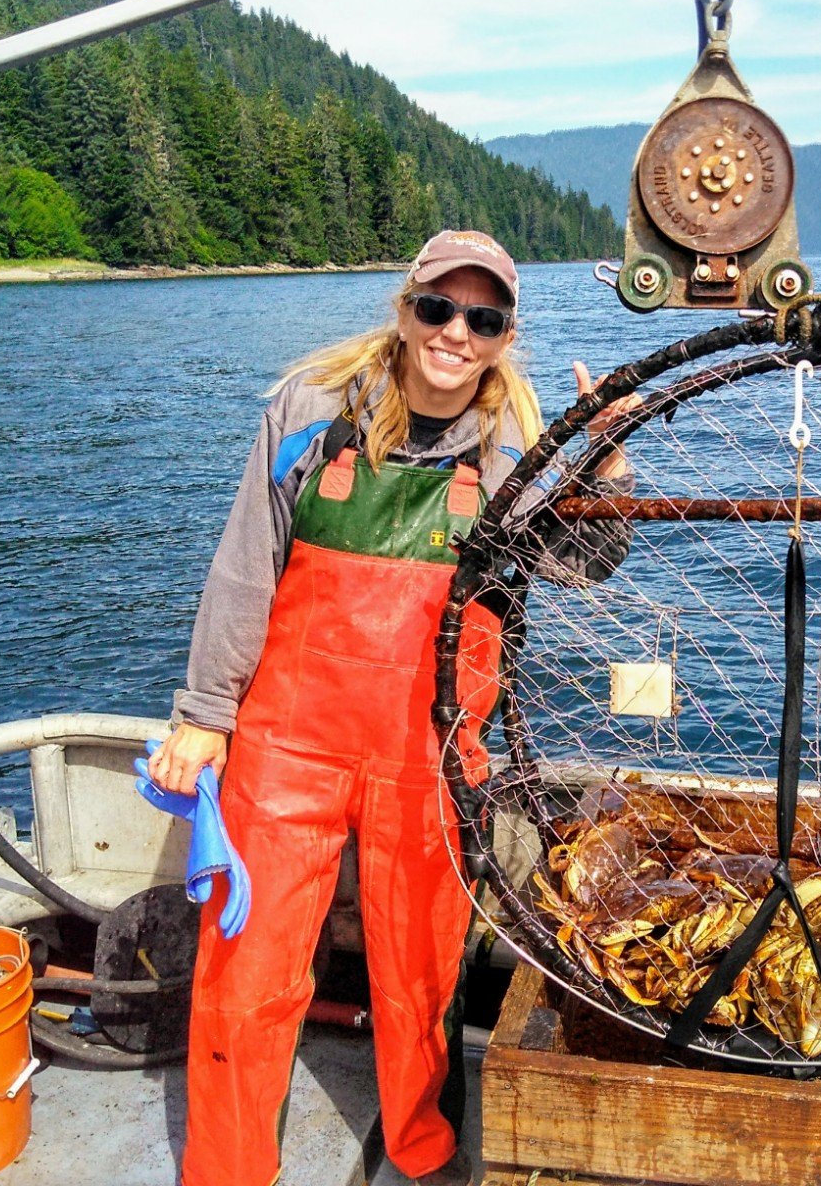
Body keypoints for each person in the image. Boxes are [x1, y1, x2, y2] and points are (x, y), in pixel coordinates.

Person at [148, 230, 635, 1186]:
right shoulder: (310, 410)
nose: (457, 331)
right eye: (438, 308)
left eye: (483, 318)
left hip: (434, 753)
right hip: (285, 747)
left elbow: (585, 565)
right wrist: (204, 713)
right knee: (244, 976)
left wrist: (605, 471)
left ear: (503, 336)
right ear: (404, 310)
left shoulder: (513, 453)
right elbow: (245, 570)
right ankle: (227, 1168)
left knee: (423, 974)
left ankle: (423, 1149)